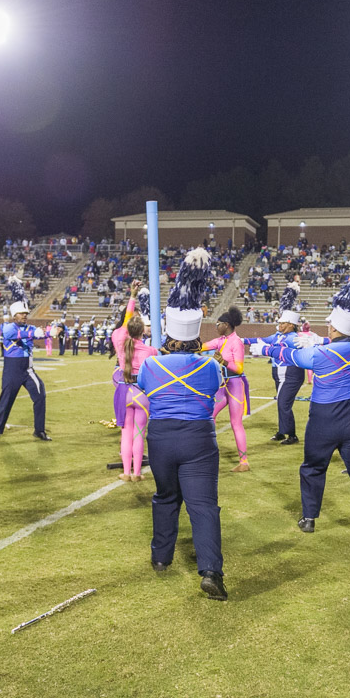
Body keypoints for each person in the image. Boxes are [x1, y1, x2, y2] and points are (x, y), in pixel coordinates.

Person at [250, 261, 350, 553]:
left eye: (330, 325)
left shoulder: (319, 355)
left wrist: (265, 349)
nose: (328, 326)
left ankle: (309, 518)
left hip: (324, 420)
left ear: (334, 328)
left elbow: (292, 356)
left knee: (312, 467)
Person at [136, 247, 229, 599]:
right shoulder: (210, 366)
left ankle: (161, 557)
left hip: (160, 437)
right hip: (198, 438)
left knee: (165, 497)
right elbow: (218, 382)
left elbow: (144, 387)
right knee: (203, 504)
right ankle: (211, 571)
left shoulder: (150, 366)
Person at [242, 279, 302, 445]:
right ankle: (283, 432)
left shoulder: (293, 338)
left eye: (283, 323)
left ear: (291, 325)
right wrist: (240, 340)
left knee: (283, 403)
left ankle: (292, 436)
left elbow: (275, 345)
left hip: (291, 373)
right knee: (281, 403)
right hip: (278, 372)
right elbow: (260, 339)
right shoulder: (278, 335)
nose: (279, 324)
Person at [0, 276, 50, 440]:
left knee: (40, 396)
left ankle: (39, 430)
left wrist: (53, 331)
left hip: (27, 369)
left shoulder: (29, 327)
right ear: (14, 315)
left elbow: (38, 333)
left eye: (25, 313)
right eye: (21, 314)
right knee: (6, 400)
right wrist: (35, 333)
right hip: (12, 370)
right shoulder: (8, 328)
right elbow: (20, 334)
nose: (24, 316)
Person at [112, 284, 158, 481]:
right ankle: (137, 473)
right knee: (140, 433)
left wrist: (132, 296)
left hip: (124, 393)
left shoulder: (119, 341)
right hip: (142, 394)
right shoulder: (150, 350)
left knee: (126, 433)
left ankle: (126, 472)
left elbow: (124, 324)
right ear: (143, 332)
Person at [202, 306, 251, 472]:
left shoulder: (236, 342)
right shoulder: (222, 340)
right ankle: (208, 451)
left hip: (236, 385)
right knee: (210, 415)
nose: (216, 327)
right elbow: (203, 346)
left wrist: (222, 362)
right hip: (224, 386)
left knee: (235, 423)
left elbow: (239, 368)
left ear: (226, 325)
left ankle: (244, 462)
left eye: (218, 324)